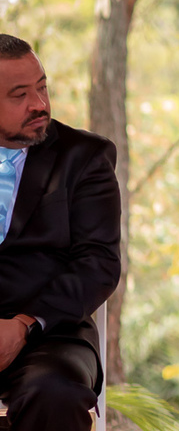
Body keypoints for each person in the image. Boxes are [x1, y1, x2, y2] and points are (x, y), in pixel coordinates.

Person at [0, 35, 121, 431]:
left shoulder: (84, 157)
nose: (39, 104)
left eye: (42, 87)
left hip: (50, 335)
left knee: (54, 392)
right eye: (20, 95)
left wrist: (24, 323)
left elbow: (98, 263)